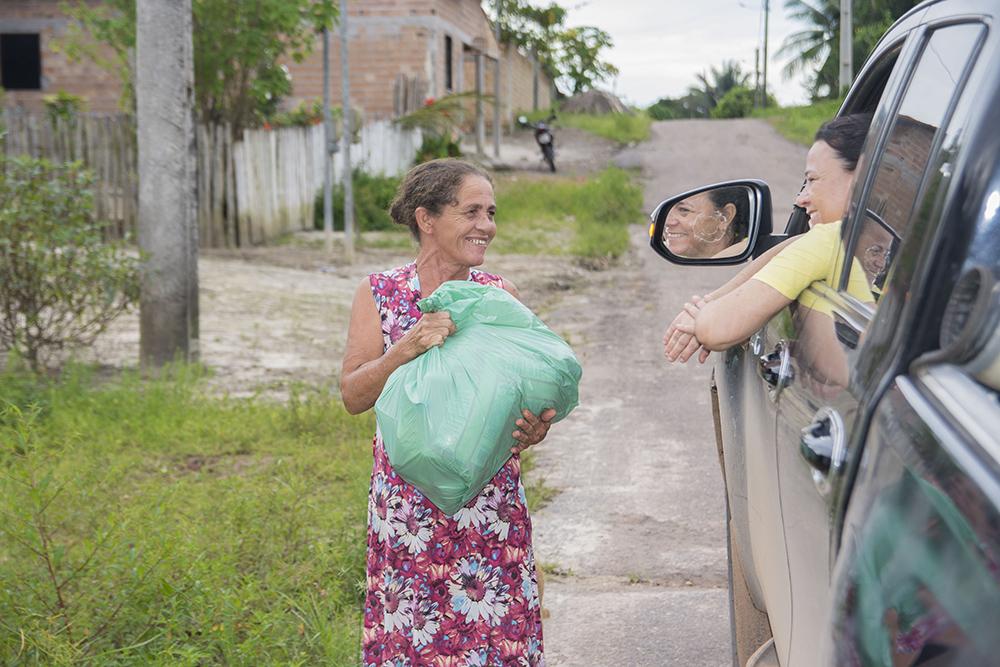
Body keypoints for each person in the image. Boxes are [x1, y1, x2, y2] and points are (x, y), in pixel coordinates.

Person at [340, 158, 554, 665]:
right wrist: (405, 348)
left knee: (495, 643)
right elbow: (352, 395)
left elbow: (536, 391)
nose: (487, 226)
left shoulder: (500, 297)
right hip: (408, 513)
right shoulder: (381, 295)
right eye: (471, 211)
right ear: (426, 218)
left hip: (490, 509)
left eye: (492, 212)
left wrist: (537, 426)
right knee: (412, 644)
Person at [663, 113, 874, 362]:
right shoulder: (899, 244)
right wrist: (711, 301)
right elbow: (796, 244)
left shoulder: (833, 239)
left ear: (862, 179)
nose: (801, 198)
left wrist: (701, 314)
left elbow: (716, 329)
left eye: (812, 180)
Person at [662, 186, 750, 258]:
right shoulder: (664, 250)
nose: (667, 222)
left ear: (725, 216)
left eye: (684, 210)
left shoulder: (752, 254)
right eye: (666, 210)